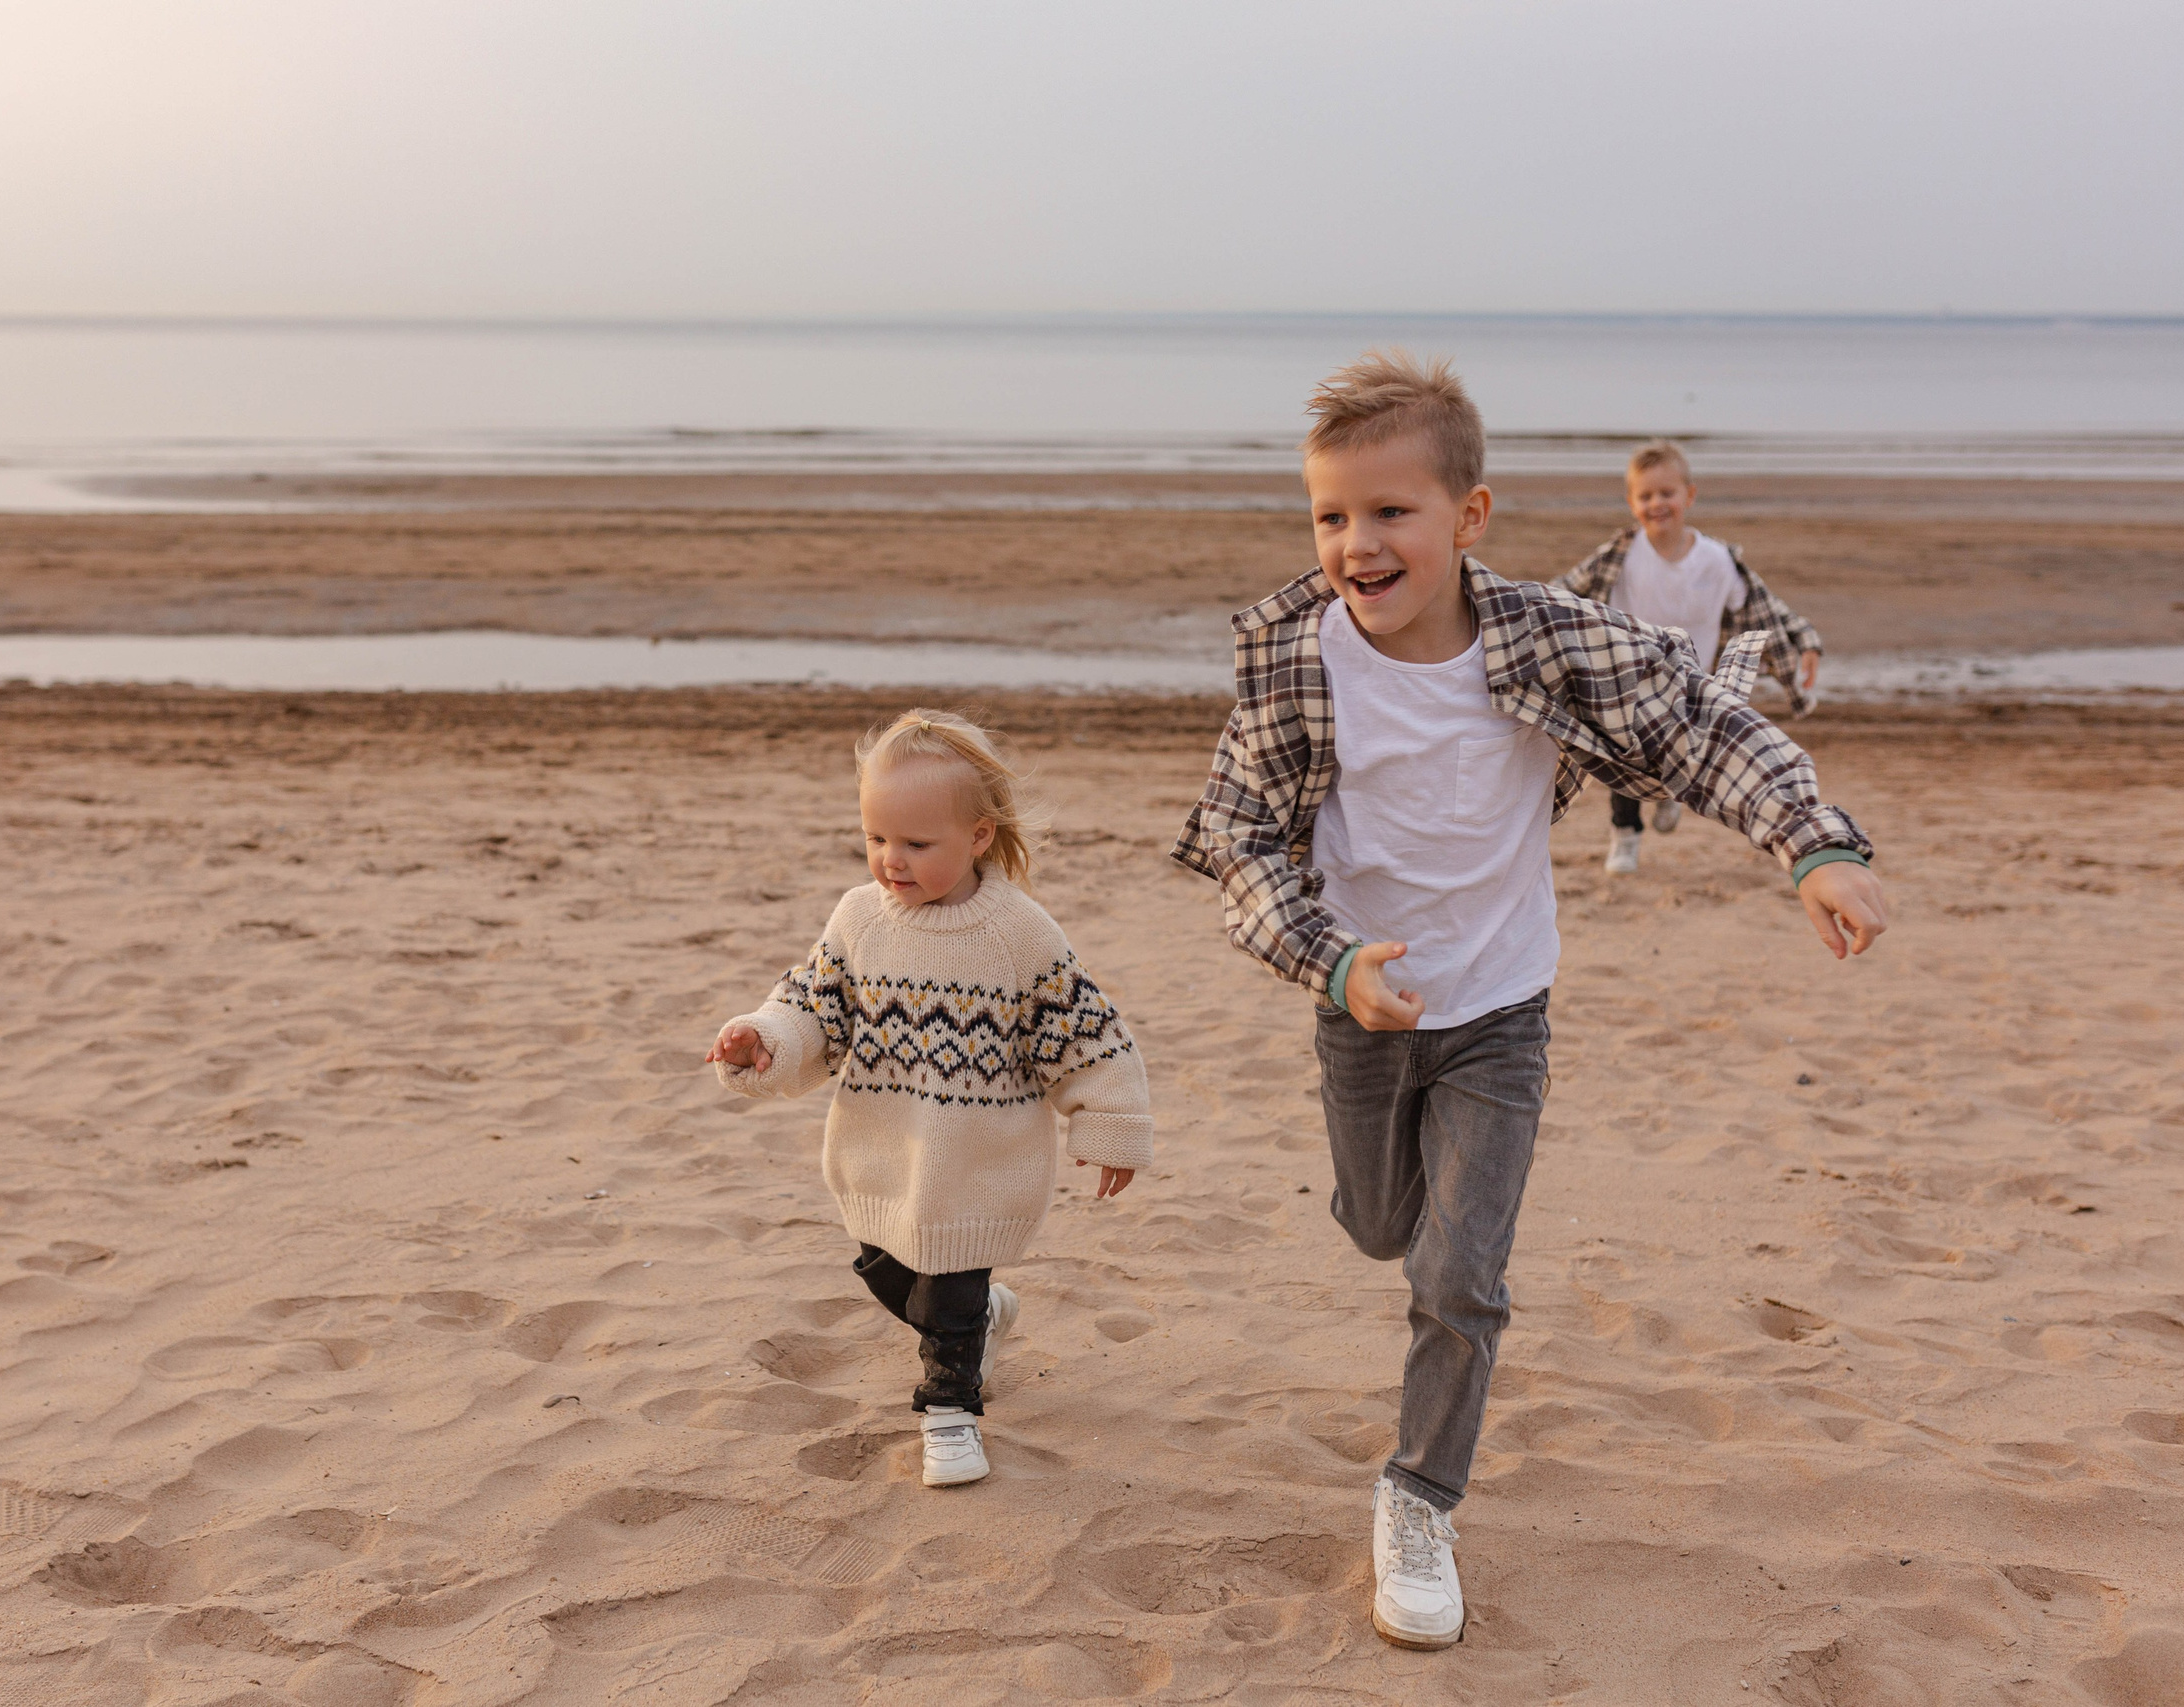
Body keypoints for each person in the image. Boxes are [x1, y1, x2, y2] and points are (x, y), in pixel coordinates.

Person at [1170, 352, 1887, 1651]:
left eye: (1390, 511)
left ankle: (1418, 1493)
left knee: (1461, 1271)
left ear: (1469, 516)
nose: (1357, 542)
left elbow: (1697, 723)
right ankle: (1389, 1202)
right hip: (1363, 1006)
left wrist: (1813, 846)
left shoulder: (1551, 639)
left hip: (1502, 1012)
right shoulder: (1295, 660)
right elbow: (1237, 838)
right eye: (1332, 514)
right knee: (1383, 1224)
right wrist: (1330, 960)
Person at [706, 708, 1153, 1488]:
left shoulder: (1018, 932)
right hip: (883, 1151)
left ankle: (951, 1409)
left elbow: (1087, 1032)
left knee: (946, 1292)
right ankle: (981, 1320)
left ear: (979, 836)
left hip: (978, 1163)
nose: (890, 861)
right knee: (885, 1270)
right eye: (877, 838)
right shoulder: (858, 920)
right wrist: (763, 1037)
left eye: (916, 844)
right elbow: (812, 1007)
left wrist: (1109, 1123)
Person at [1557, 439, 1826, 873]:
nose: (1657, 504)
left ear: (1689, 496)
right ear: (1631, 502)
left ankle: (1669, 795)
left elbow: (1766, 608)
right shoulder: (1619, 556)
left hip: (1691, 683)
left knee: (1680, 757)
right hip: (1631, 679)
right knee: (1620, 755)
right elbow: (1562, 594)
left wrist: (1806, 640)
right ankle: (1625, 835)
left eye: (1667, 493)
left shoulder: (1717, 560)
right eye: (1645, 496)